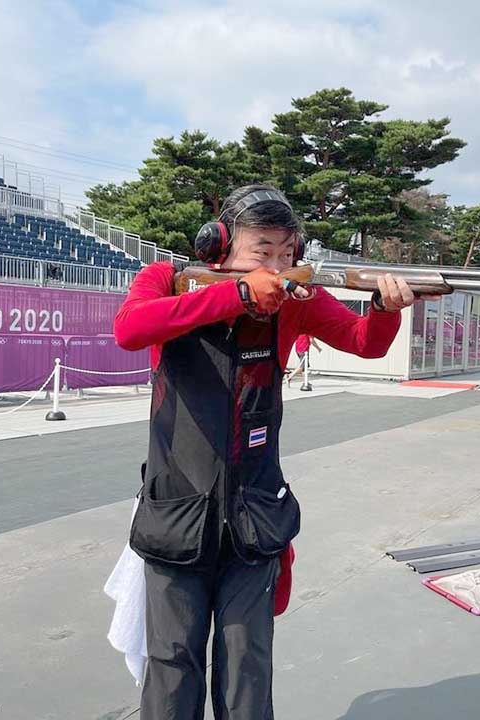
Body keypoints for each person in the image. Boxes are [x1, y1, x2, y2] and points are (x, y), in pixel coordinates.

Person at [113, 183, 419, 720]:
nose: (277, 267)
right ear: (219, 246)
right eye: (262, 251)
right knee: (172, 665)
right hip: (176, 515)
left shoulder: (295, 300)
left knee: (247, 665)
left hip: (253, 518)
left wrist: (384, 308)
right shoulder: (166, 278)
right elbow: (130, 328)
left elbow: (365, 342)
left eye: (286, 252)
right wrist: (239, 294)